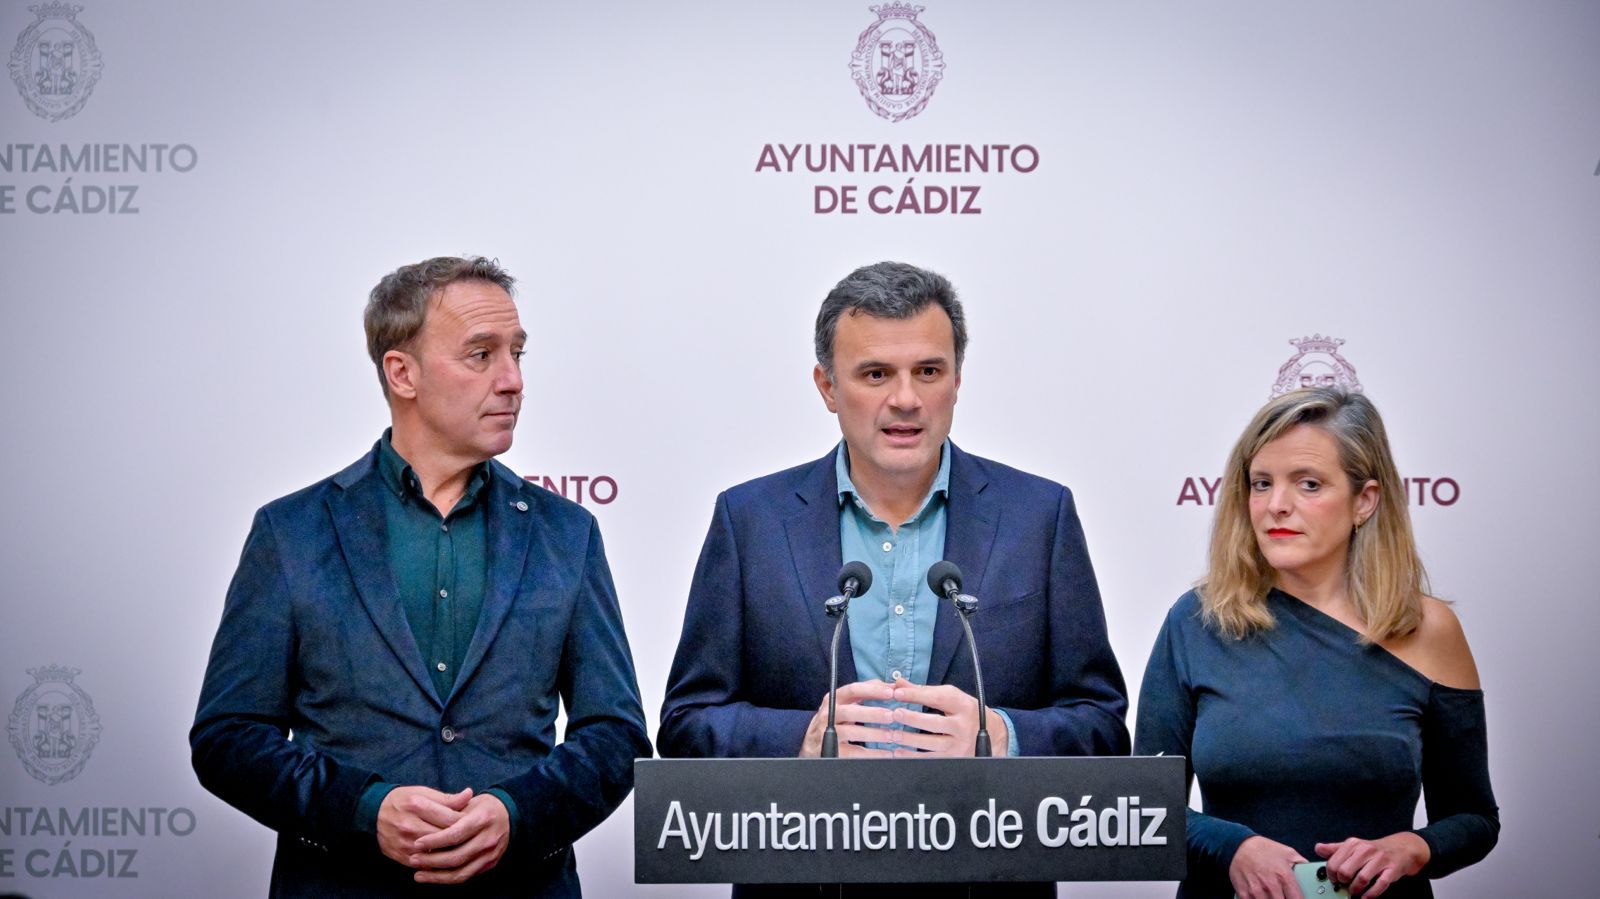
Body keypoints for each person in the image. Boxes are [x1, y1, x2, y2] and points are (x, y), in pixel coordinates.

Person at [658, 261, 1129, 898]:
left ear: (958, 380)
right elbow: (686, 726)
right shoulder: (750, 521)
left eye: (927, 372)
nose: (904, 399)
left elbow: (1101, 724)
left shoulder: (1038, 517)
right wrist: (803, 739)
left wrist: (1004, 736)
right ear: (827, 386)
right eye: (875, 373)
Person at [191, 256, 650, 897]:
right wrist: (365, 808)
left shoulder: (567, 534)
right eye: (481, 355)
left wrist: (516, 816)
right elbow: (229, 737)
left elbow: (616, 735)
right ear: (401, 373)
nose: (514, 379)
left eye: (517, 353)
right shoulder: (291, 532)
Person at [1134, 388, 1498, 899]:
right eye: (1261, 484)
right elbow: (1145, 803)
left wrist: (1411, 849)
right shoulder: (1195, 622)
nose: (1276, 506)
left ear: (1365, 501)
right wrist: (1232, 846)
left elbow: (1475, 819)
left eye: (1308, 484)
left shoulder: (1429, 628)